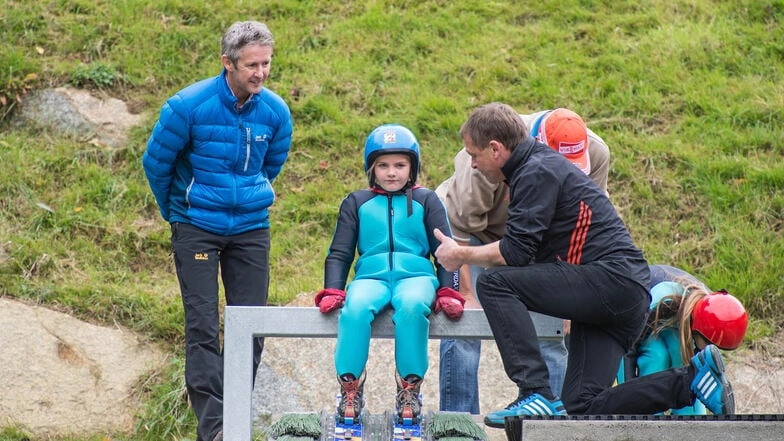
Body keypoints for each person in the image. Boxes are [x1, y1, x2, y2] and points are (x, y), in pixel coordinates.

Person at [433, 102, 734, 427]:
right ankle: (691, 381)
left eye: (474, 155)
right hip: (620, 297)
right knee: (582, 407)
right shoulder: (532, 169)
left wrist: (461, 254)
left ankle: (534, 391)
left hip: (611, 282)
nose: (473, 165)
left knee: (494, 283)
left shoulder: (536, 170)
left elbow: (516, 253)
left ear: (495, 149)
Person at [142, 21, 292, 441]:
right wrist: (178, 214)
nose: (260, 73)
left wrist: (247, 196)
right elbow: (156, 165)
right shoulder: (186, 106)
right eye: (251, 65)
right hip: (196, 229)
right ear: (227, 63)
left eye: (266, 63)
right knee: (204, 327)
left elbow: (271, 164)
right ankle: (215, 430)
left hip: (250, 230)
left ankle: (236, 418)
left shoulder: (275, 112)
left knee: (252, 325)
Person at [437, 108, 611, 414]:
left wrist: (571, 301)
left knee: (552, 331)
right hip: (478, 232)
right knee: (464, 326)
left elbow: (584, 227)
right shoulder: (481, 161)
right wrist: (465, 294)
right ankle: (458, 422)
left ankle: (548, 422)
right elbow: (459, 230)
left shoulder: (595, 153)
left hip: (540, 240)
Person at [314, 124, 464, 425]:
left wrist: (449, 290)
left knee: (411, 308)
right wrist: (333, 288)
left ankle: (409, 388)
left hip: (416, 278)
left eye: (400, 165)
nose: (391, 172)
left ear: (412, 167)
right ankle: (350, 387)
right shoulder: (356, 202)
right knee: (354, 309)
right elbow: (340, 252)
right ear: (371, 168)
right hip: (371, 278)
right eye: (383, 165)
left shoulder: (427, 201)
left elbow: (446, 250)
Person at [617, 264, 748, 415]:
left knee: (683, 358)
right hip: (636, 321)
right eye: (710, 344)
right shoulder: (662, 300)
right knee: (656, 356)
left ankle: (692, 425)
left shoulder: (710, 310)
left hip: (672, 323)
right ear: (700, 331)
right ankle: (648, 419)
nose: (711, 349)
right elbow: (626, 348)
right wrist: (627, 398)